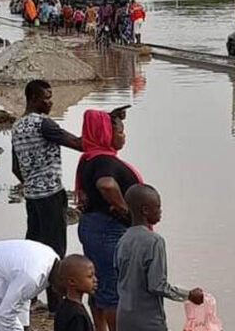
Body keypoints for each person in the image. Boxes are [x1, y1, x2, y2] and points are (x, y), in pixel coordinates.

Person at [12, 80, 83, 314]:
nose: (51, 102)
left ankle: (27, 299)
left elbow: (15, 168)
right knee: (55, 252)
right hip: (51, 195)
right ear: (33, 99)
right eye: (46, 97)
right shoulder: (45, 124)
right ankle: (56, 305)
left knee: (33, 249)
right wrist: (102, 132)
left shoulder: (17, 127)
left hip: (32, 197)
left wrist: (32, 180)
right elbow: (77, 143)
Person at [75, 108, 143, 331]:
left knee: (98, 284)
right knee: (112, 290)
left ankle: (100, 327)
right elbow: (106, 184)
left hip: (93, 226)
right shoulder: (104, 160)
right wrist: (127, 213)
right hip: (107, 230)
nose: (124, 136)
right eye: (121, 132)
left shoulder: (89, 158)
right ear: (106, 134)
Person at [115, 185, 204, 331]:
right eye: (157, 207)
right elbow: (157, 285)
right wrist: (188, 295)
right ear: (145, 210)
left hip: (124, 318)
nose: (160, 211)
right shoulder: (155, 241)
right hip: (149, 322)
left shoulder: (122, 240)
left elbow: (119, 276)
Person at [54, 255, 97, 331]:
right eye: (90, 276)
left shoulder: (63, 306)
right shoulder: (77, 316)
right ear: (72, 281)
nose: (95, 280)